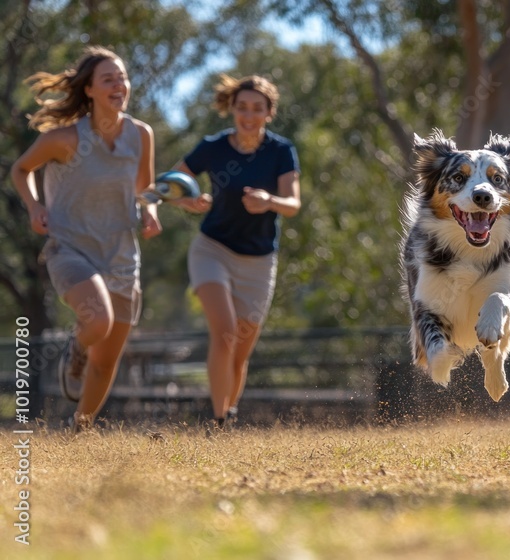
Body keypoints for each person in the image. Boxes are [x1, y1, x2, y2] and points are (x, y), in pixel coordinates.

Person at [11, 46, 162, 430]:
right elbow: (21, 168)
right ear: (90, 90)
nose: (119, 85)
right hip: (71, 249)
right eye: (108, 79)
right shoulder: (65, 139)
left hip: (122, 256)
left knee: (107, 359)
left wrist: (151, 211)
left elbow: (144, 188)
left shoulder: (141, 134)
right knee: (98, 322)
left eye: (122, 77)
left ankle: (80, 430)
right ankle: (73, 351)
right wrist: (34, 207)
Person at [171, 74, 301, 428]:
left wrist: (269, 201)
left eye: (257, 108)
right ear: (232, 109)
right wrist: (189, 201)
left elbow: (292, 204)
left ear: (269, 113)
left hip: (259, 260)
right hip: (212, 249)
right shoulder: (213, 147)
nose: (248, 115)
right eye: (242, 107)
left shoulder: (281, 151)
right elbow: (172, 183)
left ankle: (228, 414)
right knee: (225, 332)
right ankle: (217, 419)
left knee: (240, 351)